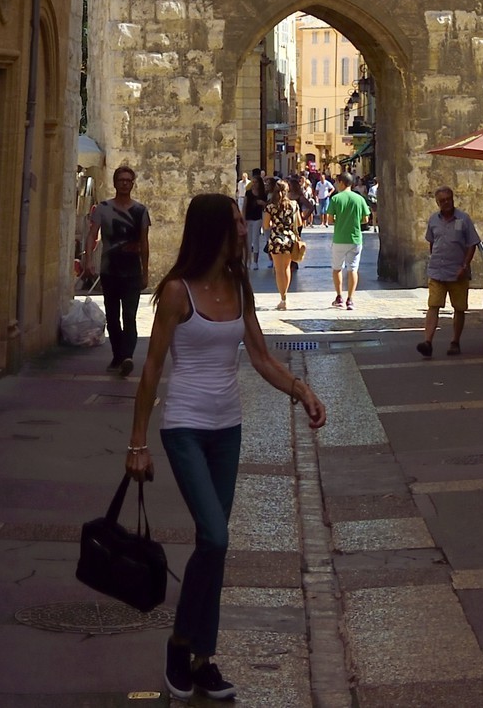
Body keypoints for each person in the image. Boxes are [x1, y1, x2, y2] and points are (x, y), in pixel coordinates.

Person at [127, 192, 327, 701]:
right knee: (215, 537)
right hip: (185, 427)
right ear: (214, 229)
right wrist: (137, 444)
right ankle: (180, 644)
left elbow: (259, 356)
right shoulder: (176, 292)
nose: (245, 229)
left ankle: (202, 658)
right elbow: (151, 370)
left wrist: (302, 391)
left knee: (212, 547)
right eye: (237, 222)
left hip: (228, 428)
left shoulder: (239, 285)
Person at [85, 164, 151, 377]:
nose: (124, 183)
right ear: (115, 183)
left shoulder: (140, 211)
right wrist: (88, 260)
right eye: (121, 180)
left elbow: (144, 243)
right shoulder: (103, 209)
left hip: (132, 272)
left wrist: (145, 271)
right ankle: (118, 355)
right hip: (110, 271)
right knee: (112, 316)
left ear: (133, 184)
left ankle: (128, 356)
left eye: (128, 180)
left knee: (130, 315)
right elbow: (92, 235)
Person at [417, 184, 480, 357]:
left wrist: (465, 265)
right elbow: (432, 242)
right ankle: (428, 342)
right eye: (442, 200)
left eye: (449, 199)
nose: (446, 203)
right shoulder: (433, 220)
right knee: (433, 305)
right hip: (437, 270)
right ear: (437, 202)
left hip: (458, 271)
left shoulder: (463, 219)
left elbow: (472, 244)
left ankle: (455, 341)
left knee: (459, 308)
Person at [326, 170, 369, 309]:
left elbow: (330, 220)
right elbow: (365, 219)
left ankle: (339, 297)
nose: (336, 184)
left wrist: (340, 220)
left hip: (339, 238)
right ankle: (350, 299)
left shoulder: (335, 199)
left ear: (342, 182)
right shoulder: (359, 198)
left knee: (337, 269)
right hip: (355, 238)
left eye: (337, 182)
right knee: (353, 269)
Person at [263, 175, 306, 306]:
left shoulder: (270, 206)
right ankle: (285, 297)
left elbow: (266, 225)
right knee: (287, 268)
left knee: (278, 269)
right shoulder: (294, 205)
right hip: (289, 239)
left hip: (276, 238)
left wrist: (276, 225)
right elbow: (299, 223)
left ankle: (282, 297)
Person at [241, 172, 268, 273]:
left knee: (255, 239)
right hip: (248, 218)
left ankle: (255, 262)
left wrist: (263, 203)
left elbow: (267, 206)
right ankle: (247, 261)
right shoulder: (248, 193)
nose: (254, 184)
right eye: (253, 182)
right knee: (247, 240)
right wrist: (242, 218)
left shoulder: (263, 194)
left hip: (257, 218)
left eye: (256, 182)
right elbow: (244, 206)